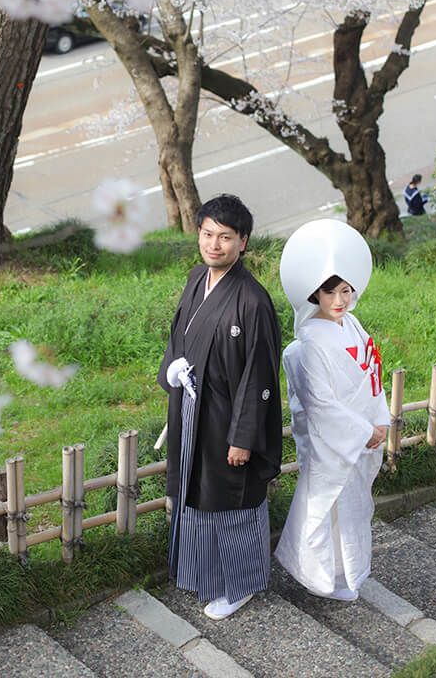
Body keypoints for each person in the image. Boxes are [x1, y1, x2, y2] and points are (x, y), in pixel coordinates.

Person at [158, 194, 283, 620]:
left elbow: (260, 377)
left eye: (225, 237)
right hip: (193, 411)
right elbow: (179, 336)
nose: (215, 244)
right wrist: (171, 369)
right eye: (208, 234)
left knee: (232, 500)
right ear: (199, 234)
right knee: (197, 495)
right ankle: (205, 575)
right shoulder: (197, 278)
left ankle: (240, 584)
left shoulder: (252, 301)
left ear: (243, 242)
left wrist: (244, 438)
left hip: (229, 421)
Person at [275, 219, 390, 601]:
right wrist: (362, 430)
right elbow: (319, 405)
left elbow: (373, 375)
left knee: (354, 512)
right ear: (314, 295)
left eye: (345, 291)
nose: (339, 301)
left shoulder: (353, 325)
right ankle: (321, 576)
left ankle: (347, 574)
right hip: (333, 442)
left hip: (361, 434)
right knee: (327, 510)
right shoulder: (307, 345)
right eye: (329, 293)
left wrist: (379, 420)